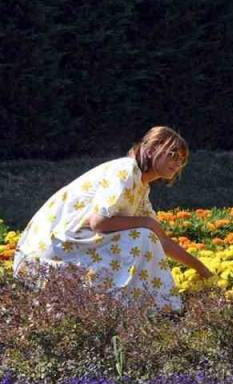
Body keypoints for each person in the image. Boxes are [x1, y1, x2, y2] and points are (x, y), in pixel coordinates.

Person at [13, 126, 215, 311]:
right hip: (47, 255)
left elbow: (161, 240)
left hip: (69, 251)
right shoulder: (125, 170)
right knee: (142, 237)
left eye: (182, 160)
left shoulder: (141, 188)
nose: (178, 163)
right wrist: (148, 224)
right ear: (152, 149)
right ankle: (158, 311)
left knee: (146, 237)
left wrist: (201, 269)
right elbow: (98, 222)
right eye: (173, 155)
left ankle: (151, 311)